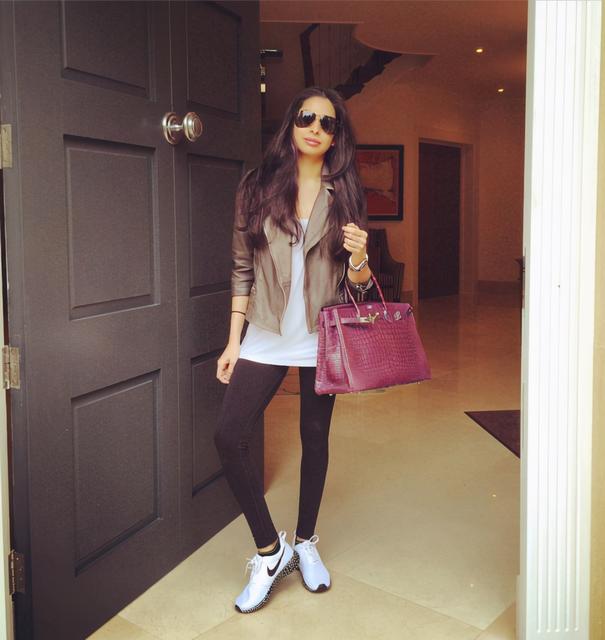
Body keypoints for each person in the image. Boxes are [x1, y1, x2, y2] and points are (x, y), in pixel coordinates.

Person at [214, 86, 374, 614]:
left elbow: (359, 284)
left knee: (315, 437)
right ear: (292, 124)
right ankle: (270, 551)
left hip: (321, 336)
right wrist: (234, 340)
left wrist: (359, 258)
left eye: (327, 123)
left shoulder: (345, 192)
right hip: (265, 333)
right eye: (307, 117)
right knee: (228, 434)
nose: (315, 128)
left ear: (335, 136)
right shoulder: (257, 186)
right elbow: (242, 267)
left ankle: (305, 541)